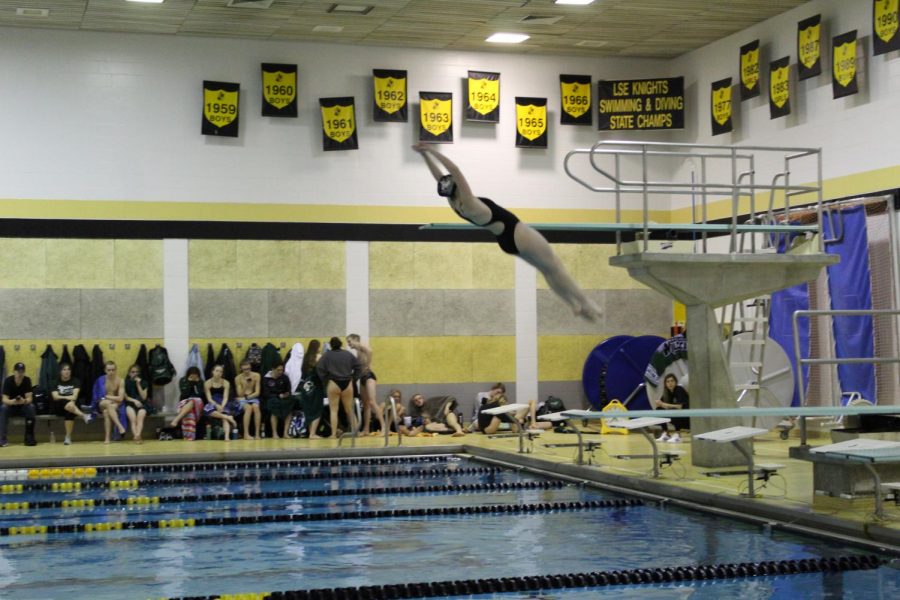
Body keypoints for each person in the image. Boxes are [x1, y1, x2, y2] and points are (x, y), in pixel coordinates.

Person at [412, 143, 601, 321]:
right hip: (517, 233)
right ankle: (586, 302)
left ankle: (572, 304)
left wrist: (424, 156)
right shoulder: (468, 199)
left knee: (546, 270)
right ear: (456, 186)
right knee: (556, 266)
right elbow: (455, 170)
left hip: (505, 241)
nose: (450, 178)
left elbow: (440, 178)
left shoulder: (456, 204)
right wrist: (432, 150)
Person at [315, 337, 361, 440]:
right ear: (340, 344)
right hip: (347, 382)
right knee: (349, 410)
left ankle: (333, 434)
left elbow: (319, 368)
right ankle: (357, 432)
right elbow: (358, 366)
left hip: (333, 383)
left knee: (333, 410)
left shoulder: (327, 355)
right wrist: (354, 379)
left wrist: (325, 380)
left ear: (331, 345)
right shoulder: (348, 354)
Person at [347, 334, 385, 436]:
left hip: (369, 376)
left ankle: (384, 428)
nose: (349, 344)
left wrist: (368, 364)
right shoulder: (358, 351)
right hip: (362, 378)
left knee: (372, 402)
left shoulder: (363, 347)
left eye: (350, 341)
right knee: (366, 405)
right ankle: (366, 429)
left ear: (355, 340)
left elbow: (370, 351)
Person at [475, 383, 547, 435]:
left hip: (485, 428)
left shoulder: (490, 403)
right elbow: (505, 418)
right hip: (487, 430)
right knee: (501, 416)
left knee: (506, 415)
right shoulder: (494, 405)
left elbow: (505, 417)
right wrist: (521, 420)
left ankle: (527, 424)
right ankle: (525, 424)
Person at [50, 362, 91, 445]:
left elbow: (75, 396)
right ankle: (84, 415)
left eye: (68, 369)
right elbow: (55, 397)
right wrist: (67, 398)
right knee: (65, 402)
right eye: (64, 369)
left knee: (70, 411)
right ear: (60, 372)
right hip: (59, 406)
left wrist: (66, 398)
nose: (67, 371)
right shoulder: (55, 382)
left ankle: (68, 438)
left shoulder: (75, 381)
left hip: (72, 406)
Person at [0, 362, 37, 447]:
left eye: (22, 371)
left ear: (24, 372)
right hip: (11, 406)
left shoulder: (27, 380)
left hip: (23, 407)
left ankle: (29, 437)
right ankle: (2, 438)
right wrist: (13, 401)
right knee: (3, 408)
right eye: (18, 371)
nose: (20, 374)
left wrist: (24, 401)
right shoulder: (8, 381)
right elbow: (4, 399)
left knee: (31, 407)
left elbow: (30, 398)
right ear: (14, 372)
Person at [94, 361, 127, 445]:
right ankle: (120, 427)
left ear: (116, 370)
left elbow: (120, 398)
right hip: (102, 403)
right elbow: (98, 397)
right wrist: (107, 399)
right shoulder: (100, 380)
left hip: (114, 403)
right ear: (105, 370)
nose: (111, 372)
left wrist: (108, 397)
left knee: (106, 412)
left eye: (113, 370)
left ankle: (107, 438)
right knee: (108, 404)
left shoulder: (120, 381)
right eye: (109, 370)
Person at [203, 364, 238, 441]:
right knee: (208, 410)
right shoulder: (207, 383)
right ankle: (229, 418)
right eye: (217, 371)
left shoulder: (225, 383)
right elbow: (209, 398)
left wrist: (222, 406)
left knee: (224, 415)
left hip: (223, 401)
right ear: (213, 372)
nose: (219, 373)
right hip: (213, 401)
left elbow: (225, 397)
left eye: (221, 372)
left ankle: (226, 436)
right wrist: (216, 405)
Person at [299, 340, 325, 439]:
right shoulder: (318, 357)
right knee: (317, 409)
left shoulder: (305, 358)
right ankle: (313, 433)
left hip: (306, 386)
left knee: (309, 410)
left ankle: (311, 432)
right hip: (316, 386)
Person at [170, 366, 204, 441]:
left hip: (198, 403)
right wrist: (190, 383)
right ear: (188, 375)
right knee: (190, 413)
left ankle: (176, 419)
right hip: (184, 402)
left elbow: (199, 395)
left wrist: (196, 384)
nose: (194, 378)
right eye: (192, 376)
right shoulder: (183, 380)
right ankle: (189, 437)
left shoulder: (201, 382)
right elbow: (185, 394)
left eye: (196, 377)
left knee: (193, 400)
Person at [655, 373, 689, 443]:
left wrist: (663, 404)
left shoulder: (679, 389)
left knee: (675, 411)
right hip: (677, 418)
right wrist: (659, 404)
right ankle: (666, 433)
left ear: (675, 382)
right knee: (659, 410)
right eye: (668, 381)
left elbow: (680, 406)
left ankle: (678, 435)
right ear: (665, 384)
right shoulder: (666, 393)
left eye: (672, 381)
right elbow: (661, 405)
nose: (670, 383)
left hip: (688, 419)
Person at [262, 362, 293, 439]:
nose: (280, 372)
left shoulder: (285, 377)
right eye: (278, 370)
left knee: (289, 407)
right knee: (274, 408)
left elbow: (288, 390)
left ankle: (285, 433)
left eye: (282, 370)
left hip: (283, 398)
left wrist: (286, 394)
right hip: (271, 399)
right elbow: (265, 393)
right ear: (273, 369)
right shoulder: (266, 378)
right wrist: (278, 396)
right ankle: (274, 433)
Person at [124, 364, 152, 444]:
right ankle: (138, 437)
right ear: (129, 373)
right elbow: (125, 397)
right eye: (133, 372)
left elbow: (144, 397)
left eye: (137, 372)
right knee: (133, 419)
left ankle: (137, 435)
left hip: (142, 404)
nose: (135, 374)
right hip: (130, 403)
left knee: (140, 417)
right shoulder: (125, 382)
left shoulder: (144, 383)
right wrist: (135, 401)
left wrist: (138, 384)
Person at [235, 360, 261, 439]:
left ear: (251, 368)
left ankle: (257, 433)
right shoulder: (238, 378)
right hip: (242, 397)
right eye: (244, 369)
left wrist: (247, 397)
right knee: (248, 408)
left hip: (252, 396)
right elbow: (239, 394)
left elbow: (257, 392)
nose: (247, 371)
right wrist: (245, 386)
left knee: (256, 407)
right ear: (241, 369)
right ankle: (246, 434)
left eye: (248, 369)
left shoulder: (256, 376)